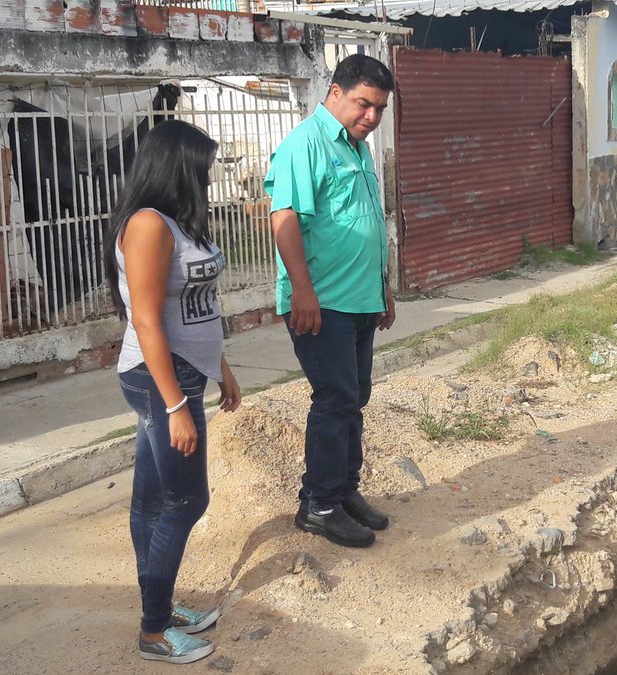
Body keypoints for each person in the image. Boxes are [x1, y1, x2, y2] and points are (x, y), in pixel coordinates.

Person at [103, 120, 243, 665]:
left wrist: (222, 368)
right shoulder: (147, 226)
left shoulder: (180, 223)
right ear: (177, 166)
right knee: (187, 499)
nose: (208, 175)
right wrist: (177, 405)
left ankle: (157, 606)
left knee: (152, 499)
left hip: (185, 372)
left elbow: (196, 309)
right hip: (161, 379)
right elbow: (147, 321)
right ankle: (155, 631)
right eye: (202, 165)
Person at [264, 54, 397, 549]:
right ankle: (318, 505)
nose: (372, 117)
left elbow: (365, 225)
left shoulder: (358, 148)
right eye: (365, 104)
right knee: (335, 398)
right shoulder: (307, 144)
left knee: (354, 397)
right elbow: (285, 219)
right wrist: (301, 290)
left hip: (358, 298)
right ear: (335, 92)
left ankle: (344, 492)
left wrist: (382, 287)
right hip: (321, 302)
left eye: (380, 109)